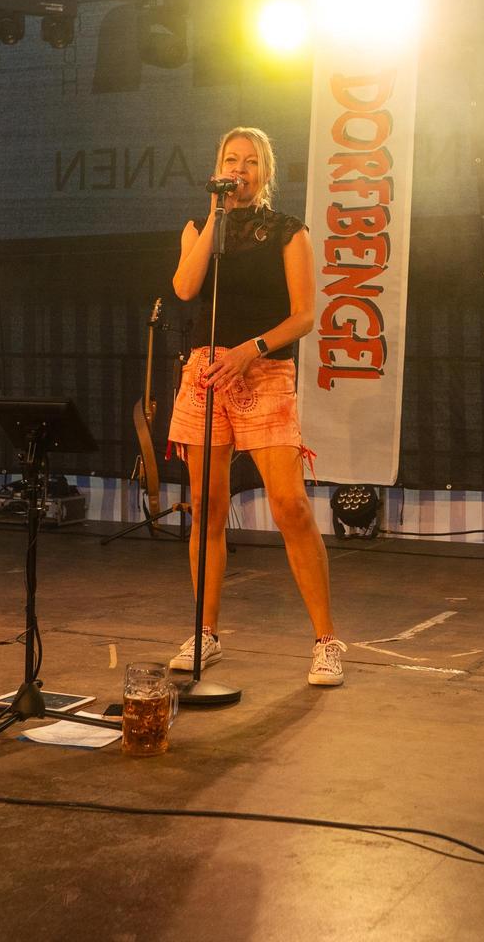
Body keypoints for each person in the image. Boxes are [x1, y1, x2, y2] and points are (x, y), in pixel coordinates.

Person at [166, 127, 345, 686]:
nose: (239, 169)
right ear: (217, 168)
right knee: (207, 508)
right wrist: (214, 217)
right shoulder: (199, 227)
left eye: (250, 162)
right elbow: (185, 288)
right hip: (204, 374)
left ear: (266, 173)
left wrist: (251, 349)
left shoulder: (289, 232)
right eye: (230, 159)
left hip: (263, 370)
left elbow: (304, 315)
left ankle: (326, 640)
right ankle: (206, 633)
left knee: (289, 504)